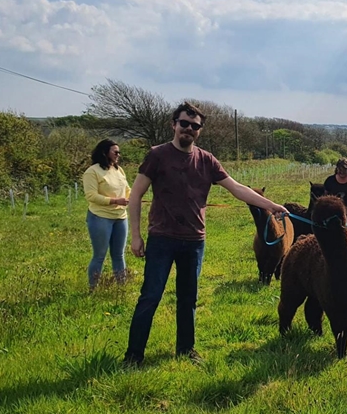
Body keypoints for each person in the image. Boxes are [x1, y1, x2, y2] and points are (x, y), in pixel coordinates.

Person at [124, 102, 290, 367]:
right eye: (184, 123)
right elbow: (135, 196)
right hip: (162, 238)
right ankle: (133, 356)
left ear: (200, 130)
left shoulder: (207, 160)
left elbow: (236, 188)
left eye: (195, 126)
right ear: (173, 124)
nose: (188, 129)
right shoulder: (157, 155)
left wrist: (270, 205)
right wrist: (135, 235)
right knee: (151, 295)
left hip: (194, 241)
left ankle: (185, 350)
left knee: (188, 297)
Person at [83, 139, 131, 289]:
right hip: (100, 218)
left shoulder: (118, 170)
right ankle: (93, 288)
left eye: (119, 152)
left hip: (120, 218)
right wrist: (115, 200)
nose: (118, 155)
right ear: (105, 152)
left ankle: (120, 288)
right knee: (100, 255)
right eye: (115, 152)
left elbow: (127, 189)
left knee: (119, 255)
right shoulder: (92, 171)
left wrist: (131, 198)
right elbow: (91, 196)